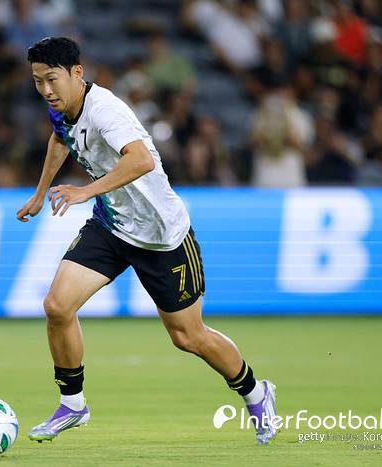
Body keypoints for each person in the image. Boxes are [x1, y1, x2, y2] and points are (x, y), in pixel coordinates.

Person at [16, 37, 278, 445]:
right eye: (37, 81)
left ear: (77, 73)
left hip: (161, 236)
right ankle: (72, 404)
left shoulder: (105, 110)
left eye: (52, 79)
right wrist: (39, 194)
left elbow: (141, 159)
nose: (46, 90)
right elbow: (59, 138)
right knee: (57, 306)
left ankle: (256, 392)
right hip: (112, 224)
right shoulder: (62, 108)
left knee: (188, 336)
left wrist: (85, 191)